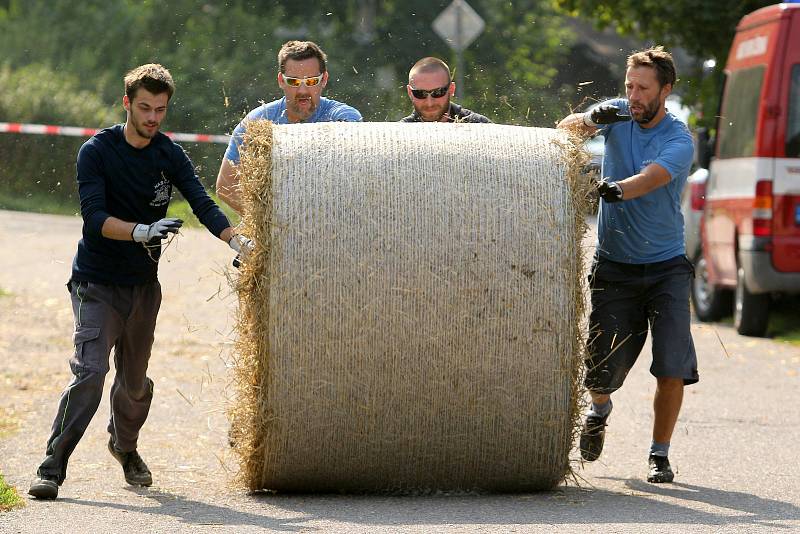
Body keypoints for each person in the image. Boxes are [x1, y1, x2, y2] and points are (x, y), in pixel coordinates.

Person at [28, 64, 250, 500]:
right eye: (144, 108)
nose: (152, 117)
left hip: (143, 289)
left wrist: (235, 239)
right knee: (90, 373)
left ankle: (124, 447)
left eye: (160, 110)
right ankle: (52, 466)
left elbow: (202, 200)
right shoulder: (97, 152)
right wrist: (140, 231)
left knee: (133, 385)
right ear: (126, 102)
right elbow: (93, 220)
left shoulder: (167, 152)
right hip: (96, 283)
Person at [556, 46, 696, 484]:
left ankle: (659, 453)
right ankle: (599, 410)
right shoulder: (617, 113)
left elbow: (652, 178)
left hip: (665, 267)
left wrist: (609, 191)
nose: (633, 96)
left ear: (665, 91)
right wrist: (591, 120)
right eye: (629, 86)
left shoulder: (679, 138)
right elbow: (564, 134)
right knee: (601, 368)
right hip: (615, 264)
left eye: (642, 89)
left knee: (672, 364)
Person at [216, 40, 362, 214]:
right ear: (281, 81)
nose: (302, 90)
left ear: (324, 80)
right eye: (293, 82)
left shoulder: (343, 116)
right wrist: (270, 221)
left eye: (311, 81)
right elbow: (226, 186)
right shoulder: (257, 121)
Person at [399, 57, 491, 124]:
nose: (429, 103)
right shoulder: (400, 133)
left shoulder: (479, 126)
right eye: (420, 93)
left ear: (451, 89)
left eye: (438, 92)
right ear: (410, 92)